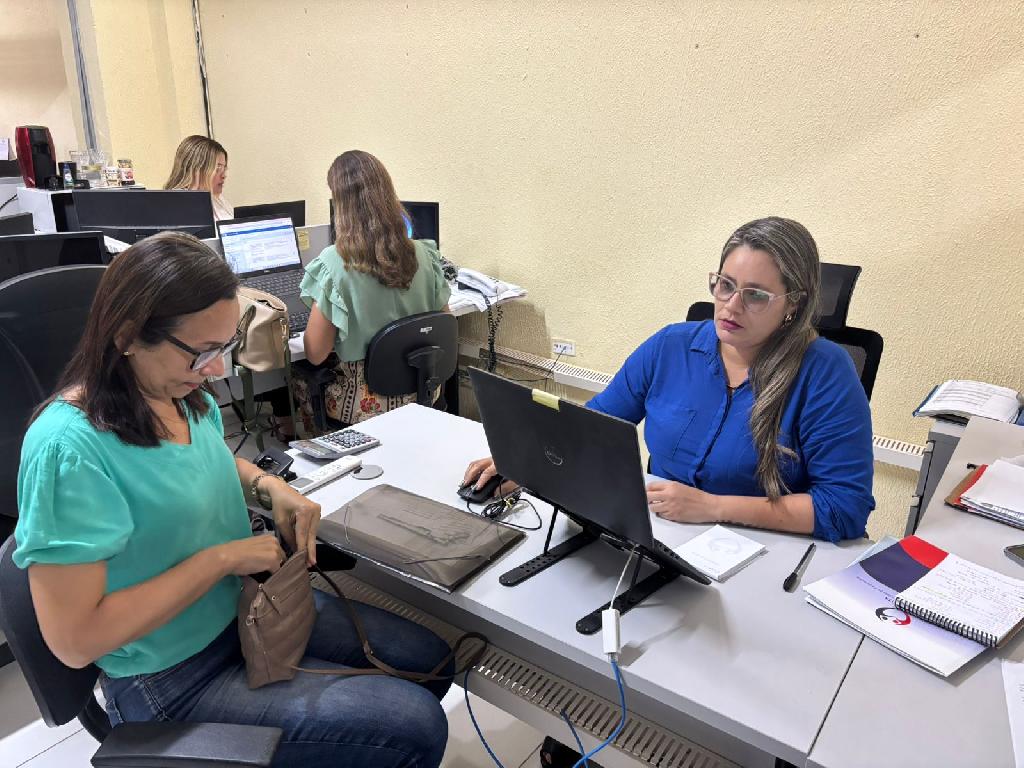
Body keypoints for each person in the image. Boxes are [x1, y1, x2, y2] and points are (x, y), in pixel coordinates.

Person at [14, 232, 453, 767]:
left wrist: (269, 487)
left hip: (243, 613)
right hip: (170, 677)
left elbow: (207, 465)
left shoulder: (178, 394)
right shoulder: (68, 450)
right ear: (128, 335)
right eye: (202, 352)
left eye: (224, 348)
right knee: (413, 726)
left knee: (430, 662)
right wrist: (221, 559)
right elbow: (76, 642)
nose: (217, 371)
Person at [463, 217, 874, 543]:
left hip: (763, 552)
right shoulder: (670, 346)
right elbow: (594, 427)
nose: (731, 306)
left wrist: (714, 507)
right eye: (725, 286)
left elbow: (845, 507)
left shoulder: (825, 372)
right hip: (660, 537)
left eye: (755, 295)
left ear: (793, 305)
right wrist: (527, 461)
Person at [293, 150, 451, 430]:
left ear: (341, 204)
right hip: (422, 392)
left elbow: (316, 353)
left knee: (294, 377)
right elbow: (443, 327)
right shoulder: (425, 254)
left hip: (361, 408)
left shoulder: (334, 264)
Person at [164, 135, 233, 221]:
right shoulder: (174, 205)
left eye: (224, 168)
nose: (224, 175)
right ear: (195, 170)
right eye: (217, 169)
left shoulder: (218, 199)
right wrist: (195, 198)